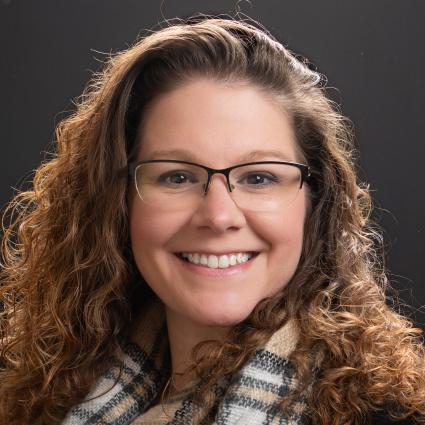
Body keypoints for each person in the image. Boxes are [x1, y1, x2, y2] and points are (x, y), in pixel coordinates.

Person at [0, 14, 424, 425]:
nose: (219, 216)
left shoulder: (397, 415)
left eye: (259, 177)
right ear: (116, 201)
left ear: (316, 203)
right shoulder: (40, 408)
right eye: (177, 176)